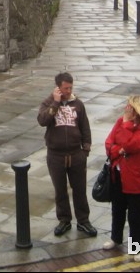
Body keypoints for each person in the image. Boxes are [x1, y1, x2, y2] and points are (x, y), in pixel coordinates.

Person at [38, 72, 97, 238]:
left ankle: (83, 221)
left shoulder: (78, 104)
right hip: (56, 155)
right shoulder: (48, 103)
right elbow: (42, 120)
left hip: (76, 154)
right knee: (60, 190)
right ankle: (64, 220)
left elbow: (85, 127)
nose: (69, 90)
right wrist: (55, 104)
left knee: (79, 189)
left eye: (71, 87)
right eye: (66, 88)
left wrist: (85, 149)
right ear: (58, 88)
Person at [103, 95, 140, 262]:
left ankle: (138, 247)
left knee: (135, 215)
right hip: (118, 174)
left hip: (136, 178)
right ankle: (116, 238)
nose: (126, 110)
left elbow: (130, 145)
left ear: (138, 110)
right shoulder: (121, 121)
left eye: (130, 108)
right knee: (117, 209)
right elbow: (109, 143)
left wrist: (125, 130)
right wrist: (117, 150)